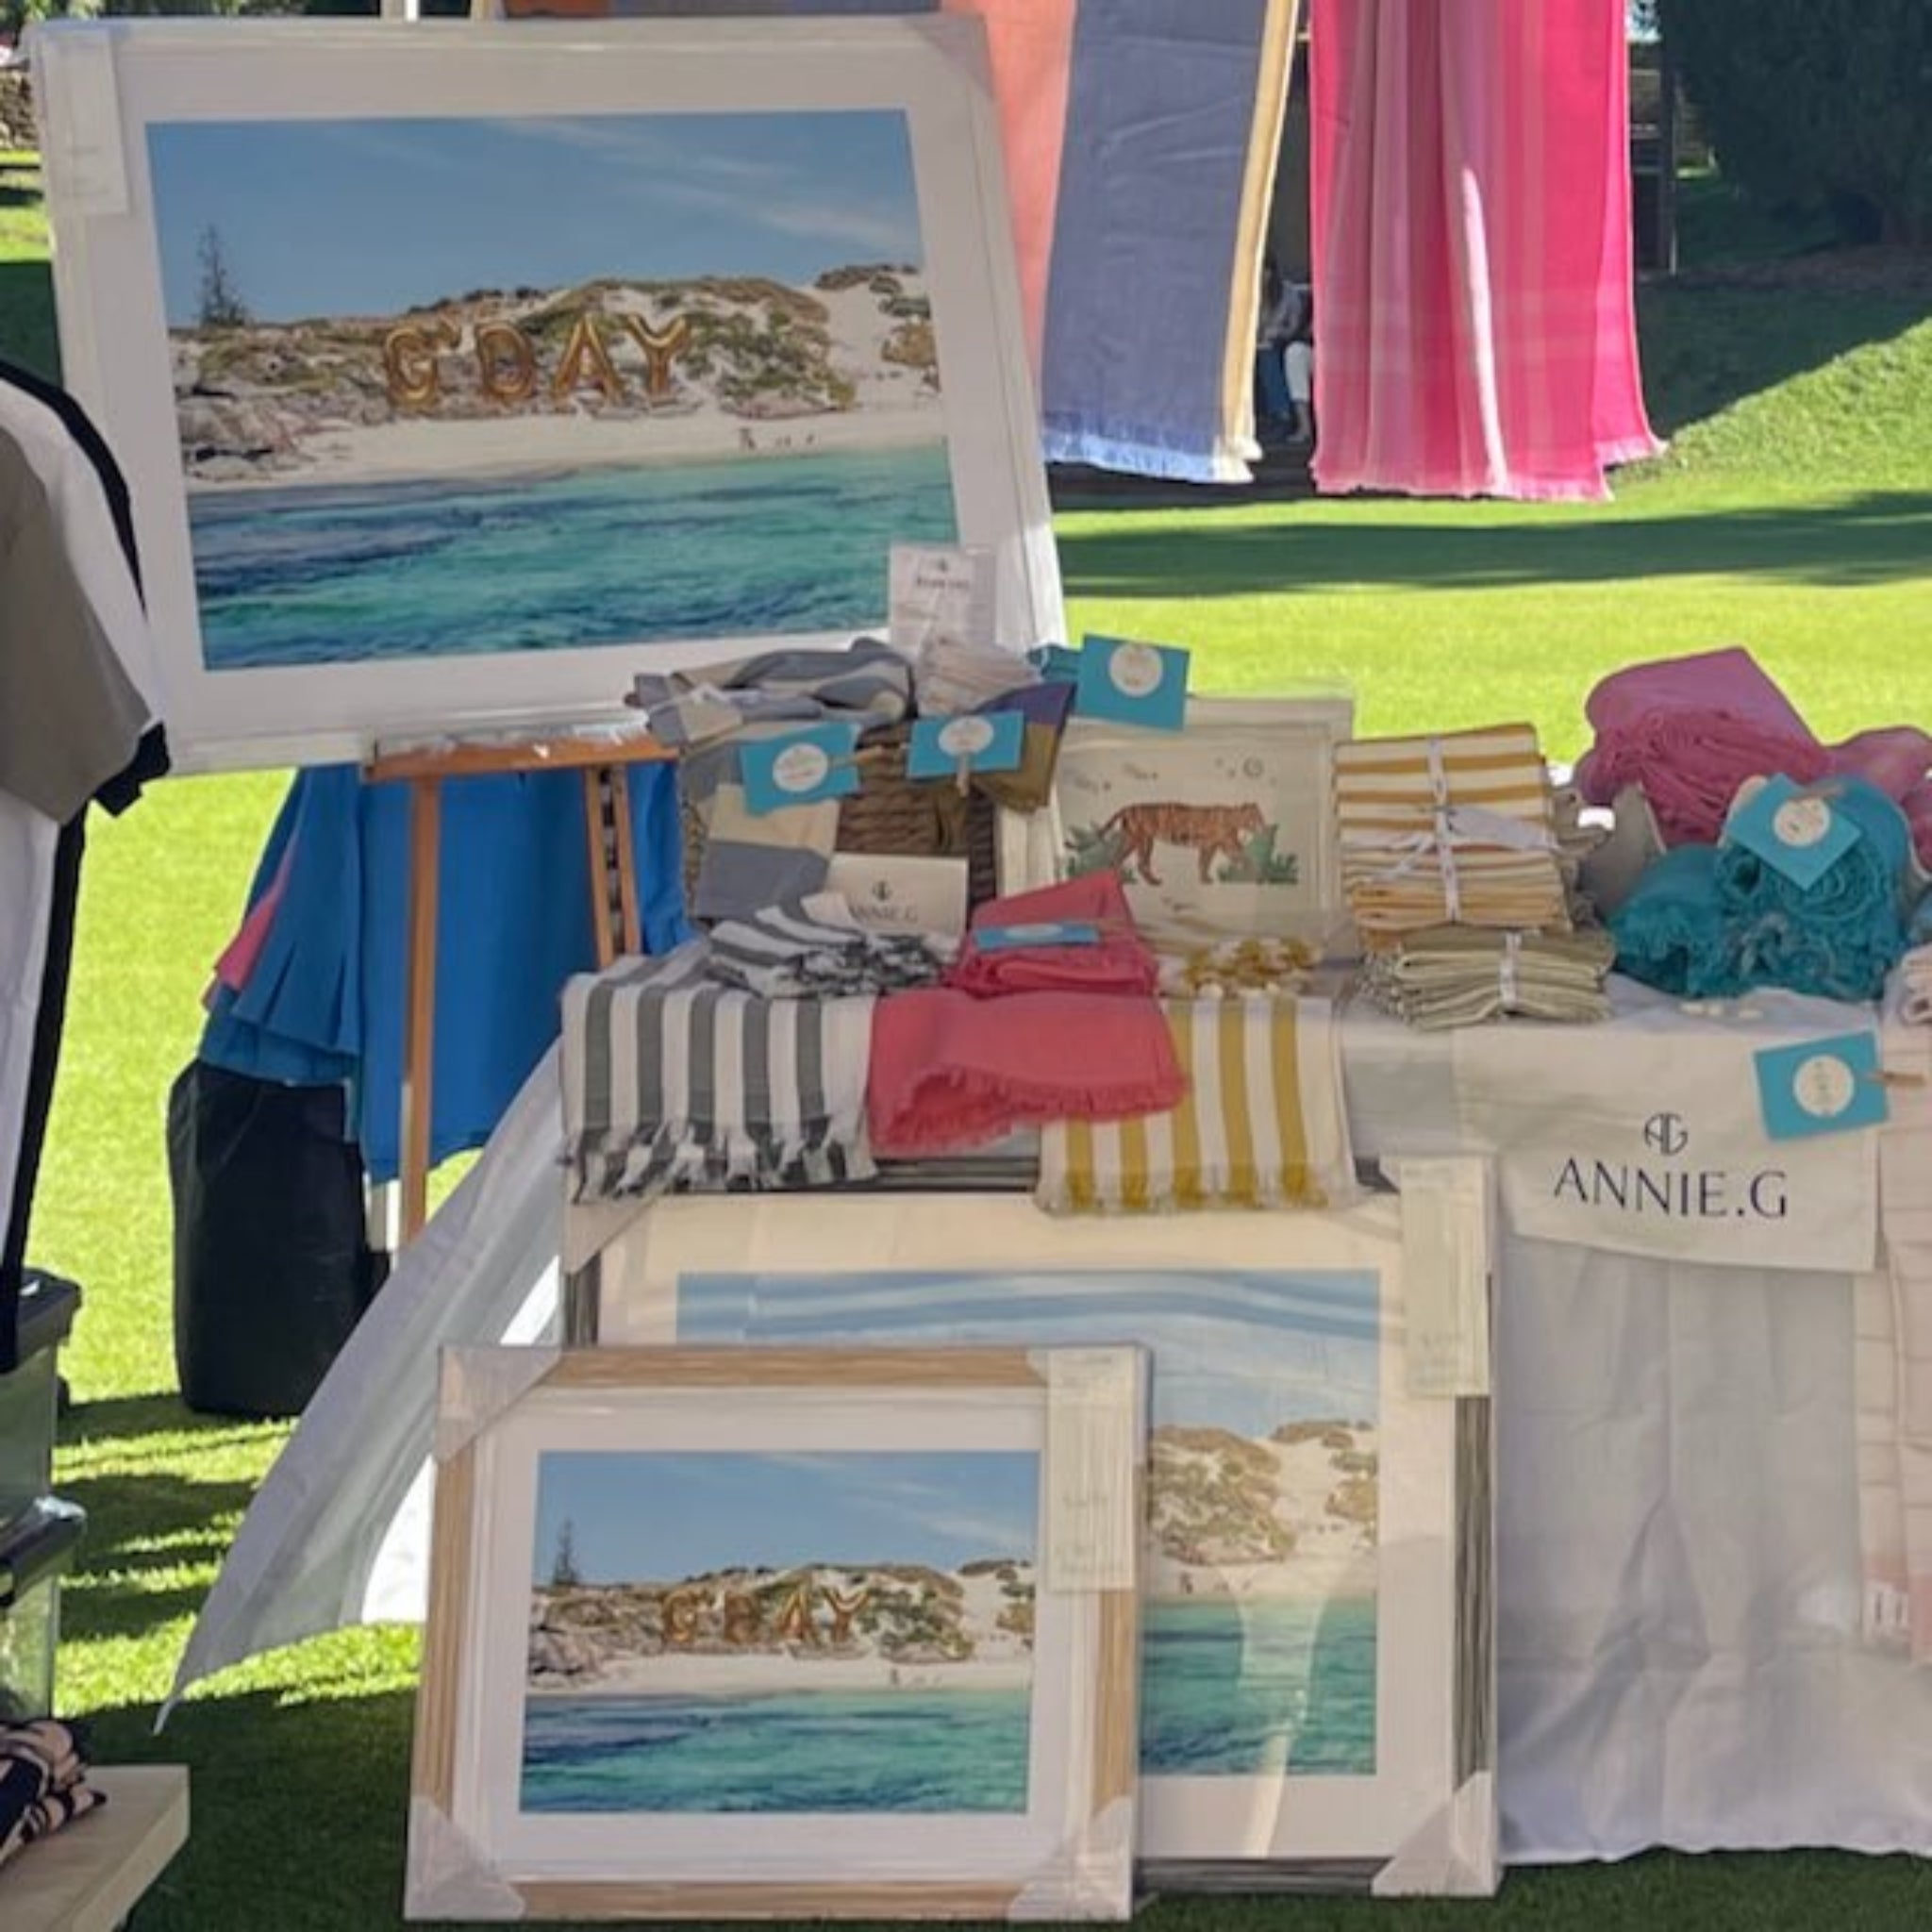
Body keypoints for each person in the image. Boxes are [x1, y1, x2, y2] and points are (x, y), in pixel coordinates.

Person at [1254, 257, 1296, 441]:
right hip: (1252, 343)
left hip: (1278, 342)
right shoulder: (1247, 292)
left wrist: (1275, 333)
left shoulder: (1287, 293)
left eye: (1267, 271)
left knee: (1267, 356)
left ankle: (1281, 414)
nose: (1264, 276)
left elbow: (1293, 325)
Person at [1281, 283, 1315, 446]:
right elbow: (1301, 332)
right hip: (1317, 351)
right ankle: (1304, 426)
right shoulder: (1313, 301)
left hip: (1348, 355)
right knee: (1294, 353)